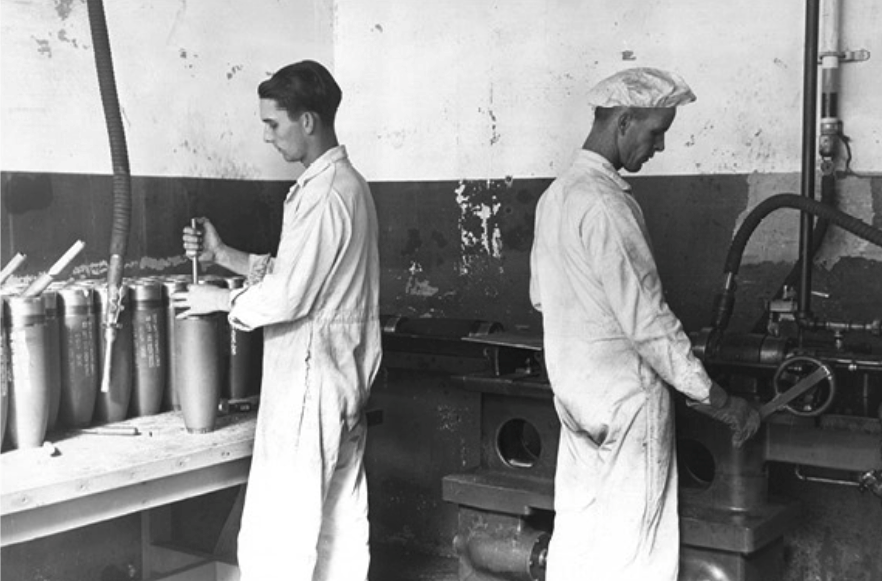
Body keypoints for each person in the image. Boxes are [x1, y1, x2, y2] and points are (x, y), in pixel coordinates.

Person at [528, 67, 760, 581]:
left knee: (579, 543)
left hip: (575, 401)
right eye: (656, 133)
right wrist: (719, 401)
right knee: (634, 555)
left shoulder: (556, 197)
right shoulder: (607, 205)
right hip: (626, 407)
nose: (658, 147)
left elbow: (542, 300)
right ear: (625, 121)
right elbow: (650, 325)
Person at [174, 60, 380, 581]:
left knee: (277, 545)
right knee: (336, 540)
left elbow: (287, 295)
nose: (267, 137)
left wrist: (217, 302)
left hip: (310, 388)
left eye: (273, 124)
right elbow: (299, 274)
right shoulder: (343, 187)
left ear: (308, 121)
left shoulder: (327, 193)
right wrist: (224, 255)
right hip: (340, 384)